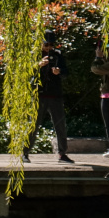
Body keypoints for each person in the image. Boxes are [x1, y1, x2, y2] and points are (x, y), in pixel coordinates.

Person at [34, 29, 71, 162]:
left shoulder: (57, 55)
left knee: (60, 125)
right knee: (33, 125)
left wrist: (59, 71)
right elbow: (26, 73)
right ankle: (24, 152)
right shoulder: (34, 55)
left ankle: (62, 153)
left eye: (51, 45)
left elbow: (66, 72)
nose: (49, 47)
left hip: (55, 95)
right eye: (46, 44)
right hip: (39, 95)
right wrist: (38, 66)